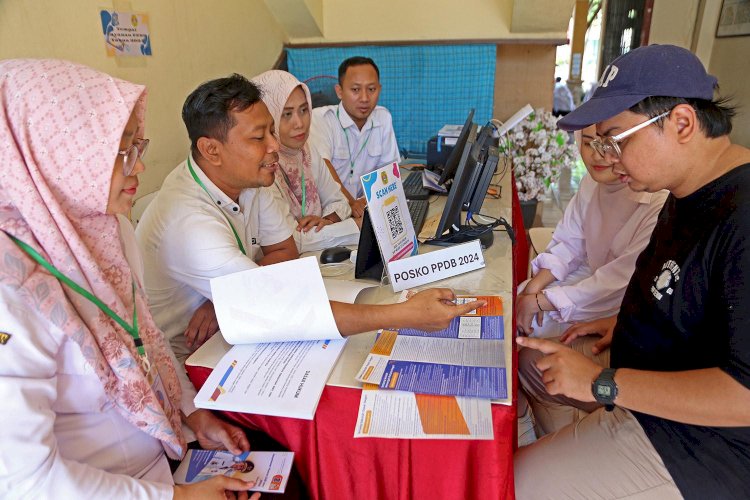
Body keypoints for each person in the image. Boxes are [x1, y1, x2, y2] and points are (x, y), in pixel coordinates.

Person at [0, 59, 259, 499]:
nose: (139, 168)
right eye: (121, 152)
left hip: (158, 467)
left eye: (138, 145)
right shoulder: (13, 290)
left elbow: (144, 338)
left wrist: (191, 413)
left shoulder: (106, 229)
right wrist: (176, 498)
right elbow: (27, 482)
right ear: (53, 156)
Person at [514, 44, 750, 499]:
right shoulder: (684, 190)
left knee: (516, 483)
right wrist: (622, 322)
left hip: (699, 443)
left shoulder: (740, 217)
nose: (607, 156)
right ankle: (582, 456)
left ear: (681, 123)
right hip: (642, 381)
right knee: (530, 365)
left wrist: (602, 383)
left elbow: (743, 395)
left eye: (616, 138)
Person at [135, 73, 483, 362]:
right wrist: (404, 315)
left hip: (231, 325)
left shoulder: (251, 176)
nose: (275, 145)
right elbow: (282, 302)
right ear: (211, 150)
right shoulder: (189, 221)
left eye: (272, 129)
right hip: (184, 358)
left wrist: (228, 294)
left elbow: (285, 251)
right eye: (260, 137)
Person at [516, 124, 667, 338]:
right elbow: (570, 243)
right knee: (518, 297)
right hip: (592, 275)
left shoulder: (657, 202)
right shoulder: (592, 181)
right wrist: (534, 288)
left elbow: (617, 282)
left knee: (531, 325)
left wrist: (542, 302)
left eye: (609, 144)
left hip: (620, 299)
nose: (597, 155)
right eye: (588, 143)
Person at [251, 69, 361, 253]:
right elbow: (290, 239)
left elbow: (339, 200)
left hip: (321, 256)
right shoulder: (262, 165)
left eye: (303, 110)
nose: (299, 123)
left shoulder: (306, 150)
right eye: (286, 114)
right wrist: (356, 228)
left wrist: (327, 221)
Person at [308, 56, 400, 217]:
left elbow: (388, 171)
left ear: (380, 89)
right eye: (355, 90)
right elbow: (324, 168)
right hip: (329, 213)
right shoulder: (320, 119)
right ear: (339, 91)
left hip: (365, 209)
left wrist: (369, 202)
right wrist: (351, 203)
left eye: (371, 89)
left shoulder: (383, 118)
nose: (364, 98)